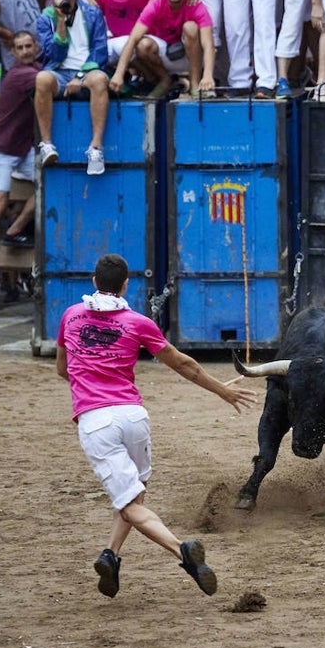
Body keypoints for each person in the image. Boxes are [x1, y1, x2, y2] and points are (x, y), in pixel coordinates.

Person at [55, 252, 256, 600]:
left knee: (131, 504)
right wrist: (223, 390)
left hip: (97, 420)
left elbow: (62, 369)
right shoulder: (137, 322)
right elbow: (184, 364)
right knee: (136, 490)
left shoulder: (70, 316)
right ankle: (111, 555)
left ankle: (183, 552)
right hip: (133, 417)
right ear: (126, 285)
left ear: (93, 282)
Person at [0, 31, 40, 291]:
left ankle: (15, 229)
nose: (24, 51)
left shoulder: (35, 68)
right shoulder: (19, 74)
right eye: (19, 47)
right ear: (13, 52)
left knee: (50, 182)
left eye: (28, 46)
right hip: (1, 147)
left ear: (35, 47)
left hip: (22, 147)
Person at [35, 0, 111, 175]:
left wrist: (79, 75)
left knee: (100, 79)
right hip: (59, 72)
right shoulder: (46, 18)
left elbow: (100, 51)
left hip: (86, 71)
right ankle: (47, 144)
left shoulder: (93, 14)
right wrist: (60, 23)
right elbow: (52, 54)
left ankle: (96, 148)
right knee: (42, 78)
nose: (66, 0)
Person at [108, 0, 217, 101]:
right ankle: (165, 80)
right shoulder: (156, 3)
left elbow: (208, 45)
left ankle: (195, 83)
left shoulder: (195, 4)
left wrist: (207, 75)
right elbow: (133, 39)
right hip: (164, 54)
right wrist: (119, 73)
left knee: (191, 27)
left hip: (189, 56)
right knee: (143, 45)